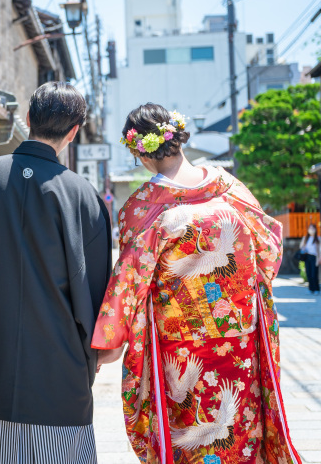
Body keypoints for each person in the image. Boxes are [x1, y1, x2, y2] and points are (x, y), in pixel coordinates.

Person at [93, 103, 303, 464]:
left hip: (181, 345)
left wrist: (110, 339)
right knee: (239, 427)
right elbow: (268, 249)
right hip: (240, 342)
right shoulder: (231, 189)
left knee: (189, 436)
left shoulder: (143, 208)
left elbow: (129, 280)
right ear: (179, 138)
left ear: (139, 152)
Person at [0, 82, 112, 464]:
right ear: (74, 132)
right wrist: (103, 345)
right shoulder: (83, 195)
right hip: (61, 370)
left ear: (28, 119)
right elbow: (97, 294)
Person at [298, 223, 320, 294]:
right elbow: (301, 247)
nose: (311, 230)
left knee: (314, 274)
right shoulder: (305, 238)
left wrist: (319, 258)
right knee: (309, 274)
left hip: (315, 257)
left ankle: (316, 289)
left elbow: (320, 250)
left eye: (313, 229)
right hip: (307, 257)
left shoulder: (318, 239)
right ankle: (310, 289)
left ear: (315, 230)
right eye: (310, 228)